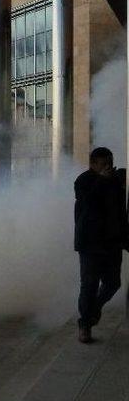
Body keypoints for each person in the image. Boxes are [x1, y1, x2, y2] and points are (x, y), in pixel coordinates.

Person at [74, 147, 127, 343]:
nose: (108, 167)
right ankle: (85, 326)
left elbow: (121, 211)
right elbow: (87, 204)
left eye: (110, 163)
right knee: (89, 285)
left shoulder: (117, 180)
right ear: (93, 164)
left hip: (112, 242)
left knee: (113, 283)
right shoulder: (84, 181)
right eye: (103, 164)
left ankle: (92, 311)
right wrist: (102, 180)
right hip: (90, 244)